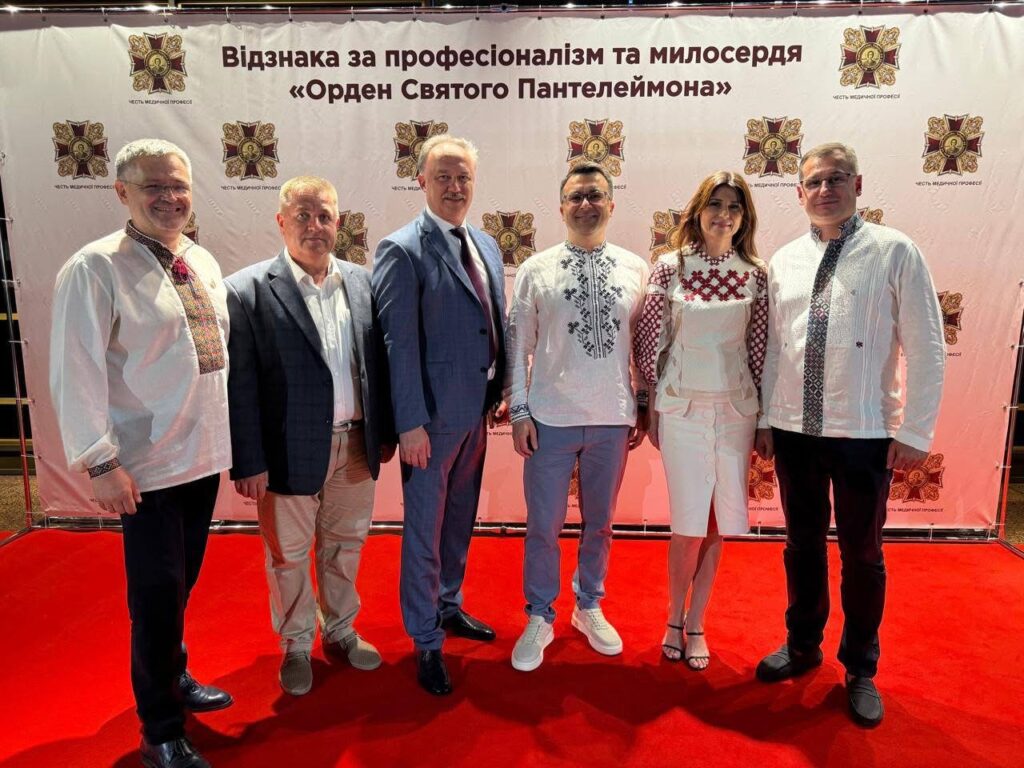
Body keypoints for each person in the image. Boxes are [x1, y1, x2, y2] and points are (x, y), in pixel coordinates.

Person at [50, 139, 232, 768]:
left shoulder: (200, 259)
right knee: (155, 599)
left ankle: (173, 676)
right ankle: (160, 729)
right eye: (153, 186)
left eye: (178, 185)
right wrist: (100, 462)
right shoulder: (94, 267)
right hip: (144, 468)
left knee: (179, 588)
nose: (170, 197)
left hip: (200, 457)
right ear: (121, 192)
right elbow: (74, 370)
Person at [754, 142, 945, 727]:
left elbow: (928, 345)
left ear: (857, 185)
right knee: (801, 545)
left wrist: (916, 429)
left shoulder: (894, 251)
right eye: (814, 182)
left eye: (836, 179)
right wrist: (764, 418)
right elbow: (774, 348)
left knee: (862, 553)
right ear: (799, 192)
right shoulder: (783, 260)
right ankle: (802, 644)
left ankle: (861, 667)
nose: (825, 191)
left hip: (864, 432)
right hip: (794, 430)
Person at [225, 176, 396, 697]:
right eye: (302, 215)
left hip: (357, 446)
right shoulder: (247, 290)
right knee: (289, 556)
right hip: (286, 452)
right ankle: (297, 644)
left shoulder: (363, 283)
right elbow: (241, 386)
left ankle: (341, 630)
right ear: (282, 222)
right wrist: (248, 461)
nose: (314, 226)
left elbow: (377, 367)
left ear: (338, 222)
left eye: (324, 216)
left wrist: (385, 432)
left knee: (345, 547)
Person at [371, 134, 507, 695]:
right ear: (421, 181)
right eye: (444, 177)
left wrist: (499, 388)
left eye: (463, 177)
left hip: (476, 414)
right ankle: (425, 638)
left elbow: (492, 321)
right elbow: (397, 344)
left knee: (459, 521)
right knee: (424, 533)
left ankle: (449, 605)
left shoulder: (486, 244)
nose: (455, 187)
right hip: (427, 423)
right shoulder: (400, 249)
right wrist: (409, 423)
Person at [504, 162, 649, 672]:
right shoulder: (536, 269)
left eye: (595, 196)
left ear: (611, 204)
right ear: (561, 207)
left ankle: (589, 605)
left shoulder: (635, 268)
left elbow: (643, 346)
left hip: (612, 417)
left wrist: (642, 404)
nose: (586, 204)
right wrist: (519, 409)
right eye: (576, 197)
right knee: (543, 526)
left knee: (601, 524)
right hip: (549, 417)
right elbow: (517, 344)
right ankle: (540, 614)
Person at [633, 171, 767, 671]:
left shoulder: (756, 273)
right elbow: (650, 341)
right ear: (698, 211)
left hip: (735, 412)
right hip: (681, 409)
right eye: (715, 204)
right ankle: (673, 616)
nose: (723, 215)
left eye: (734, 206)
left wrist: (765, 419)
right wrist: (648, 401)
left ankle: (697, 623)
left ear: (744, 217)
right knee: (687, 524)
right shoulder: (670, 267)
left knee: (715, 525)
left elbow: (761, 349)